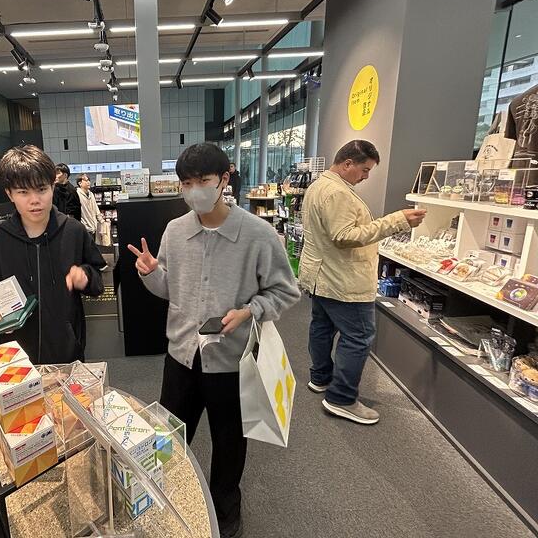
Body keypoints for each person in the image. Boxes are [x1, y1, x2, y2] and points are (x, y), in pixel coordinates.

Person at [127, 143, 299, 538]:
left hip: (231, 361)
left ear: (224, 179)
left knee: (229, 442)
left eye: (203, 181)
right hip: (181, 356)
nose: (194, 191)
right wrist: (150, 272)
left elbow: (285, 291)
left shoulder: (257, 234)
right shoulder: (176, 231)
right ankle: (169, 501)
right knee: (170, 436)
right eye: (186, 183)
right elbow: (168, 288)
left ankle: (225, 509)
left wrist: (249, 311)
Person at [299, 140, 427, 425]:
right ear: (348, 164)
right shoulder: (337, 193)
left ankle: (321, 378)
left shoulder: (320, 186)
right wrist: (397, 221)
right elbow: (344, 236)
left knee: (321, 327)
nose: (367, 176)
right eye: (365, 170)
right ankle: (341, 399)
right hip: (342, 280)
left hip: (322, 275)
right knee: (358, 337)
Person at [0, 145, 106, 363]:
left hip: (67, 351)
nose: (35, 200)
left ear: (52, 187)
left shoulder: (73, 231)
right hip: (15, 353)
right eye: (23, 192)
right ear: (9, 193)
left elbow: (97, 279)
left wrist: (86, 276)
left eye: (42, 189)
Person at [76, 173, 104, 239]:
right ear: (80, 183)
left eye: (89, 180)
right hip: (84, 228)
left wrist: (101, 221)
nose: (88, 182)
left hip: (93, 227)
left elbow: (95, 208)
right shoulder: (77, 194)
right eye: (86, 180)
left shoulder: (91, 194)